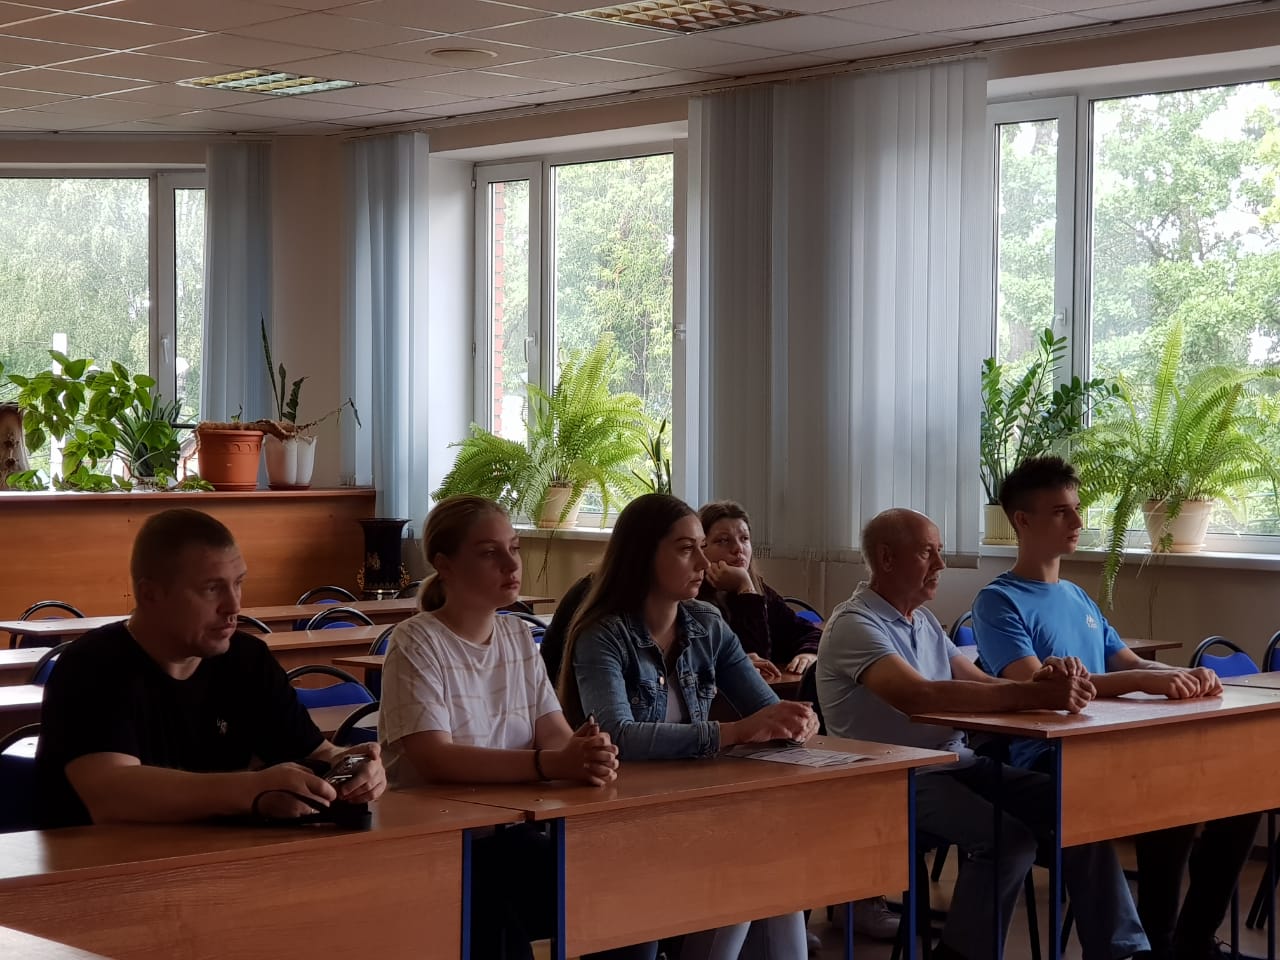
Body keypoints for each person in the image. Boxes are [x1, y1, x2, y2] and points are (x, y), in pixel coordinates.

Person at [817, 507, 1148, 960]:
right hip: (890, 777)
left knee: (1079, 810)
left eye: (940, 552)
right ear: (887, 558)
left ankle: (1120, 951)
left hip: (957, 763)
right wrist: (1030, 695)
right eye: (928, 553)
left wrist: (1043, 681)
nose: (941, 564)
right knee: (1007, 840)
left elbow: (984, 686)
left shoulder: (923, 622)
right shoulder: (855, 625)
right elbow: (919, 697)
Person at [973, 456, 1255, 960]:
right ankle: (1158, 942)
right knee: (1167, 796)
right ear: (1022, 520)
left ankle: (1191, 942)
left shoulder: (1078, 597)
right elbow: (1034, 685)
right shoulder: (998, 601)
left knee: (1239, 796)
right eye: (1061, 512)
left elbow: (1128, 661)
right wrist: (1146, 678)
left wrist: (1185, 675)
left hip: (1115, 744)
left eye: (1077, 509)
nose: (1078, 522)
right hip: (1052, 759)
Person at [560, 492, 818, 960]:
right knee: (753, 864)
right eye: (685, 549)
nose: (703, 562)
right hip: (623, 819)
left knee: (772, 861)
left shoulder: (706, 622)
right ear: (643, 556)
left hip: (696, 806)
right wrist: (734, 732)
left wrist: (794, 720)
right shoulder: (603, 634)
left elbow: (764, 709)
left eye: (702, 547)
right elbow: (618, 735)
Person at [379, 495, 632, 960]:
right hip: (443, 843)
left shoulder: (517, 636)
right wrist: (550, 764)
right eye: (488, 553)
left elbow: (553, 733)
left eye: (513, 548)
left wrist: (585, 753)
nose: (511, 564)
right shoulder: (416, 641)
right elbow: (435, 758)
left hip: (512, 833)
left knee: (624, 896)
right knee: (504, 919)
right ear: (445, 565)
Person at [35, 507, 386, 829]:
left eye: (238, 583)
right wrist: (253, 789)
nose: (233, 606)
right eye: (211, 589)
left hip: (220, 860)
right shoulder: (92, 665)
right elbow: (111, 795)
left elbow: (315, 753)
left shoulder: (246, 659)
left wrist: (350, 766)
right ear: (150, 595)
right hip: (99, 866)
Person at [698, 500, 822, 677]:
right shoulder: (693, 600)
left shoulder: (762, 590)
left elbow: (807, 632)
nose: (738, 548)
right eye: (723, 540)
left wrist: (808, 652)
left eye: (744, 539)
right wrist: (745, 588)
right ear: (701, 548)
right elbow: (754, 662)